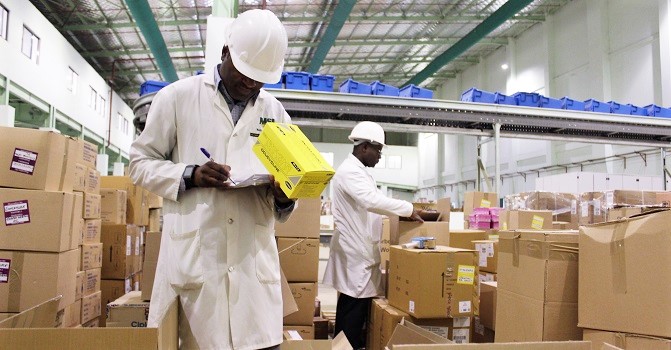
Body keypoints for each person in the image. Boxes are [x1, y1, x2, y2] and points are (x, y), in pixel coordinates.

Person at [129, 9, 295, 350]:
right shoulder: (178, 97)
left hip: (253, 271)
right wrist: (190, 175)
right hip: (197, 265)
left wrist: (284, 194)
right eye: (244, 73)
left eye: (259, 78)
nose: (250, 83)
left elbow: (286, 194)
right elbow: (139, 163)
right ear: (224, 53)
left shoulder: (275, 113)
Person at [322, 121, 424, 349]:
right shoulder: (350, 173)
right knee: (352, 311)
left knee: (353, 309)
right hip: (355, 252)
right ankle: (346, 347)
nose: (379, 156)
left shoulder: (359, 172)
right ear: (365, 147)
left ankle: (347, 345)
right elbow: (371, 201)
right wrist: (408, 209)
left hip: (360, 250)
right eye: (378, 150)